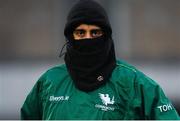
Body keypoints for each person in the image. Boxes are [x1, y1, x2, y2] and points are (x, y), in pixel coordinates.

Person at [21, 0, 179, 120]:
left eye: (95, 32)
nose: (88, 38)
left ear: (106, 36)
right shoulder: (49, 82)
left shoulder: (134, 83)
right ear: (70, 37)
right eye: (81, 33)